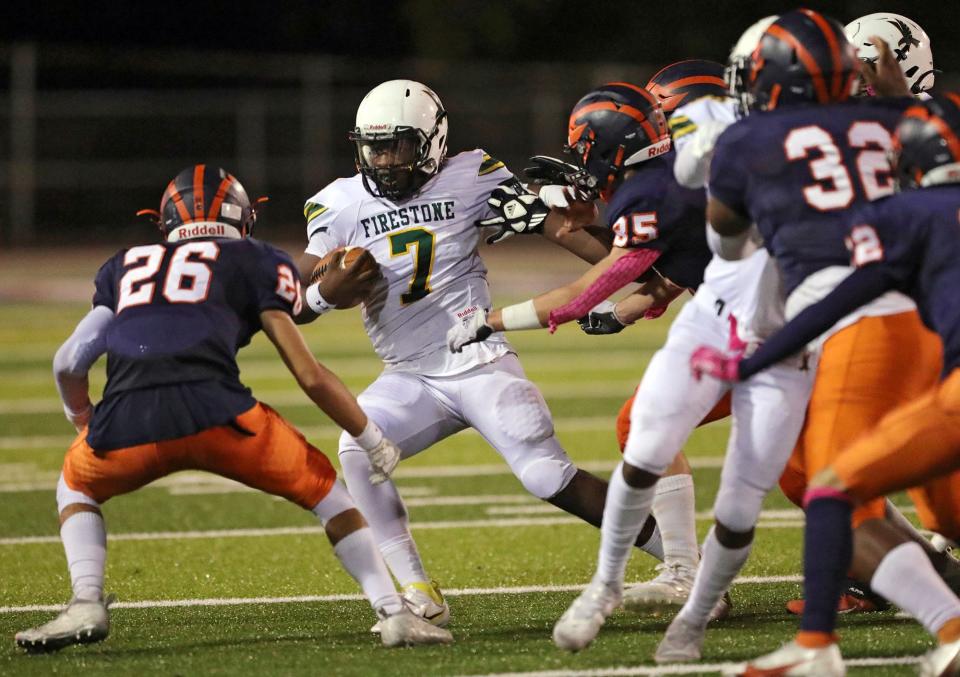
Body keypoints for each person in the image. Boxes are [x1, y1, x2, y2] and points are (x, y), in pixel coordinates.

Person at [13, 165, 452, 653]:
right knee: (333, 498)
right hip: (221, 416)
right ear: (245, 220)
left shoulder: (126, 265)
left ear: (163, 224)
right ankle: (393, 614)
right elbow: (308, 373)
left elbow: (69, 360)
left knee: (75, 487)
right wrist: (370, 437)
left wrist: (85, 423)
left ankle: (86, 600)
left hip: (127, 419)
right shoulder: (257, 260)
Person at [296, 80, 667, 632]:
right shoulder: (338, 203)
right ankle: (419, 591)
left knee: (546, 476)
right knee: (356, 449)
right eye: (374, 147)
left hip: (479, 358)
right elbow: (298, 304)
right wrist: (325, 293)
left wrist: (637, 267)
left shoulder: (471, 174)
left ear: (431, 141)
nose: (383, 159)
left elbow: (563, 233)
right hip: (409, 376)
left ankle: (686, 561)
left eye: (396, 145)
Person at [683, 9, 950, 674]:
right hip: (908, 323)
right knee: (849, 486)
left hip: (868, 329)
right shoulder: (903, 123)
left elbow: (725, 241)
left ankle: (822, 646)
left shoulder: (752, 139)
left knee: (836, 489)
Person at [446, 80, 731, 651]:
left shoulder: (653, 190)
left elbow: (583, 292)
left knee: (807, 467)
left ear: (609, 146)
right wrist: (621, 308)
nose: (578, 160)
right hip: (748, 319)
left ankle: (692, 578)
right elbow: (663, 269)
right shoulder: (677, 173)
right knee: (645, 423)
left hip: (766, 328)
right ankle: (688, 574)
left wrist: (490, 321)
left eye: (583, 147)